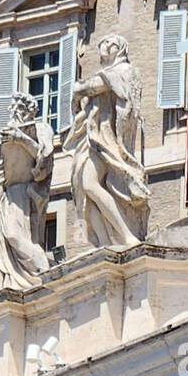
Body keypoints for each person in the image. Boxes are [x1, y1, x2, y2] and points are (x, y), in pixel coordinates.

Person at [65, 34, 150, 249]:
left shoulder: (124, 70)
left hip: (107, 140)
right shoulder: (105, 75)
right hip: (92, 138)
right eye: (102, 45)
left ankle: (126, 235)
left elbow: (97, 86)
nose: (105, 48)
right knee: (84, 191)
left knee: (90, 184)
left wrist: (80, 90)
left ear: (120, 49)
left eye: (110, 45)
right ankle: (105, 242)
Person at [0, 93, 54, 290]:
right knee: (6, 238)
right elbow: (3, 168)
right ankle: (10, 279)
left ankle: (42, 271)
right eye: (13, 109)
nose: (15, 112)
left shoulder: (41, 128)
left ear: (31, 111)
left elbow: (45, 158)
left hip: (26, 191)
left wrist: (22, 139)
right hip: (7, 192)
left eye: (19, 108)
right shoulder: (10, 134)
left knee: (14, 236)